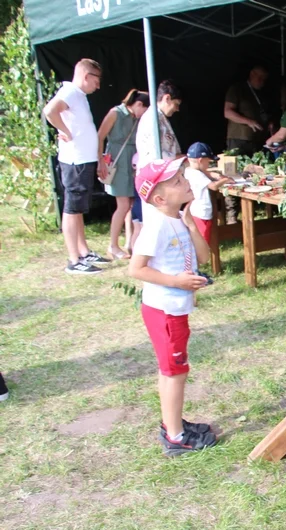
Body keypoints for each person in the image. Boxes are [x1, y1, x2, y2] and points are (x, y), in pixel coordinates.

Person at [128, 157, 217, 456]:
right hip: (164, 311)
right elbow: (136, 270)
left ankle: (173, 422)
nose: (186, 181)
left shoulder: (177, 221)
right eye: (178, 181)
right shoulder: (156, 227)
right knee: (174, 371)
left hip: (175, 310)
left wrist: (191, 223)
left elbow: (204, 257)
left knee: (173, 370)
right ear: (159, 198)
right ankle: (176, 437)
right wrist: (176, 282)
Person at [42, 58, 111, 274]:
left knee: (78, 208)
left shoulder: (78, 96)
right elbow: (50, 111)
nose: (98, 86)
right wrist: (65, 131)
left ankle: (83, 251)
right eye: (96, 80)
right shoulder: (70, 92)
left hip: (82, 160)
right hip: (74, 161)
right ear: (86, 76)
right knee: (72, 209)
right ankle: (74, 260)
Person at [97, 89, 150, 259]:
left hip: (132, 162)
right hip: (117, 161)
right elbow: (100, 137)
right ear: (139, 104)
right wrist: (100, 162)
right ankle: (113, 245)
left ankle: (129, 242)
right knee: (123, 204)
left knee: (132, 202)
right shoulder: (115, 113)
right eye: (144, 109)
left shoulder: (136, 118)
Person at [135, 79, 183, 239]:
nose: (177, 109)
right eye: (176, 104)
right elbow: (158, 156)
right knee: (157, 224)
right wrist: (182, 159)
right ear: (167, 98)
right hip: (156, 179)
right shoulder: (153, 119)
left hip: (160, 177)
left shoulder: (159, 117)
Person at [184, 142, 233, 245]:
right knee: (202, 242)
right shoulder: (197, 175)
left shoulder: (189, 170)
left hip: (195, 211)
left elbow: (205, 172)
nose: (208, 165)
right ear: (200, 160)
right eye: (208, 162)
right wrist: (226, 180)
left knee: (197, 240)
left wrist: (215, 176)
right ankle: (200, 259)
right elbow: (213, 186)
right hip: (202, 213)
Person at [224, 65, 270, 156]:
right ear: (252, 74)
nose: (262, 82)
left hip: (257, 140)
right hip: (239, 139)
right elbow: (227, 112)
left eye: (264, 79)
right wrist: (248, 121)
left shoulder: (262, 93)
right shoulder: (237, 89)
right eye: (260, 78)